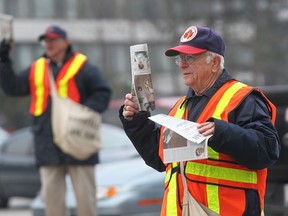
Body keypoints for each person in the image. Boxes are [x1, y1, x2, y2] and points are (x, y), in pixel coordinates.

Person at [119, 25, 280, 216]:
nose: (182, 64)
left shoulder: (242, 98)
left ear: (215, 62)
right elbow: (159, 158)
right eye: (180, 59)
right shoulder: (181, 106)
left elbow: (268, 149)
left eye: (191, 58)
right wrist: (136, 121)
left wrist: (221, 132)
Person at [0, 25, 111, 216]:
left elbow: (103, 93)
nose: (48, 44)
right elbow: (13, 88)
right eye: (46, 41)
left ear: (65, 42)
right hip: (47, 145)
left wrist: (82, 113)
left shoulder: (82, 66)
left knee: (86, 203)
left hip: (78, 142)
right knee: (52, 205)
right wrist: (4, 60)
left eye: (53, 40)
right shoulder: (37, 67)